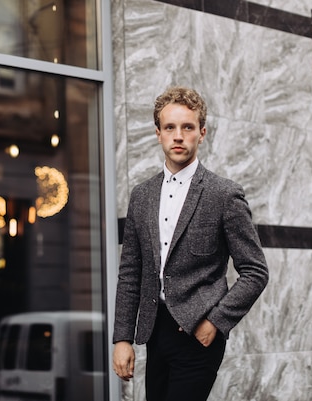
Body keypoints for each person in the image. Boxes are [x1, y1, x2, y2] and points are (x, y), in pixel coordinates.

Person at [112, 86, 269, 401]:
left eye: (187, 127)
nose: (178, 136)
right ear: (158, 134)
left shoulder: (224, 194)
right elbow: (131, 270)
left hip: (199, 336)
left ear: (202, 133)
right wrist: (122, 338)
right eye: (170, 127)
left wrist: (216, 321)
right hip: (154, 333)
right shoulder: (141, 196)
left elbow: (255, 271)